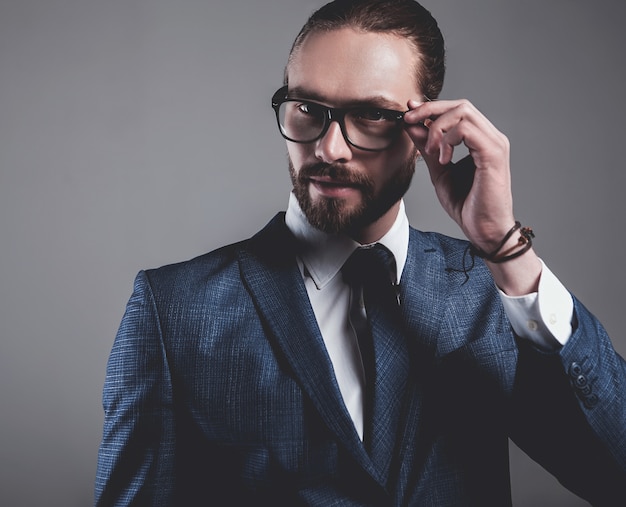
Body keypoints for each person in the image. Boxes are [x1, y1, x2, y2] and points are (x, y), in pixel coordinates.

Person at [95, 0, 626, 505]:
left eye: (371, 115)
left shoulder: (489, 291)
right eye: (307, 108)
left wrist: (504, 249)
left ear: (428, 127)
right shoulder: (175, 310)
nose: (328, 149)